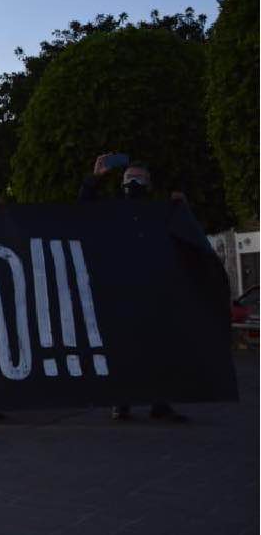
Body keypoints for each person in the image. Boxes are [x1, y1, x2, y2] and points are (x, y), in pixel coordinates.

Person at [79, 153, 188, 423]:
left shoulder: (159, 213)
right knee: (121, 349)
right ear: (121, 183)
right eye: (130, 178)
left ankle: (159, 402)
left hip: (152, 290)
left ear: (149, 184)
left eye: (139, 179)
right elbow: (83, 208)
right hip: (120, 292)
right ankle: (121, 402)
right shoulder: (112, 211)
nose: (134, 183)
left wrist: (181, 208)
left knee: (158, 348)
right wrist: (95, 178)